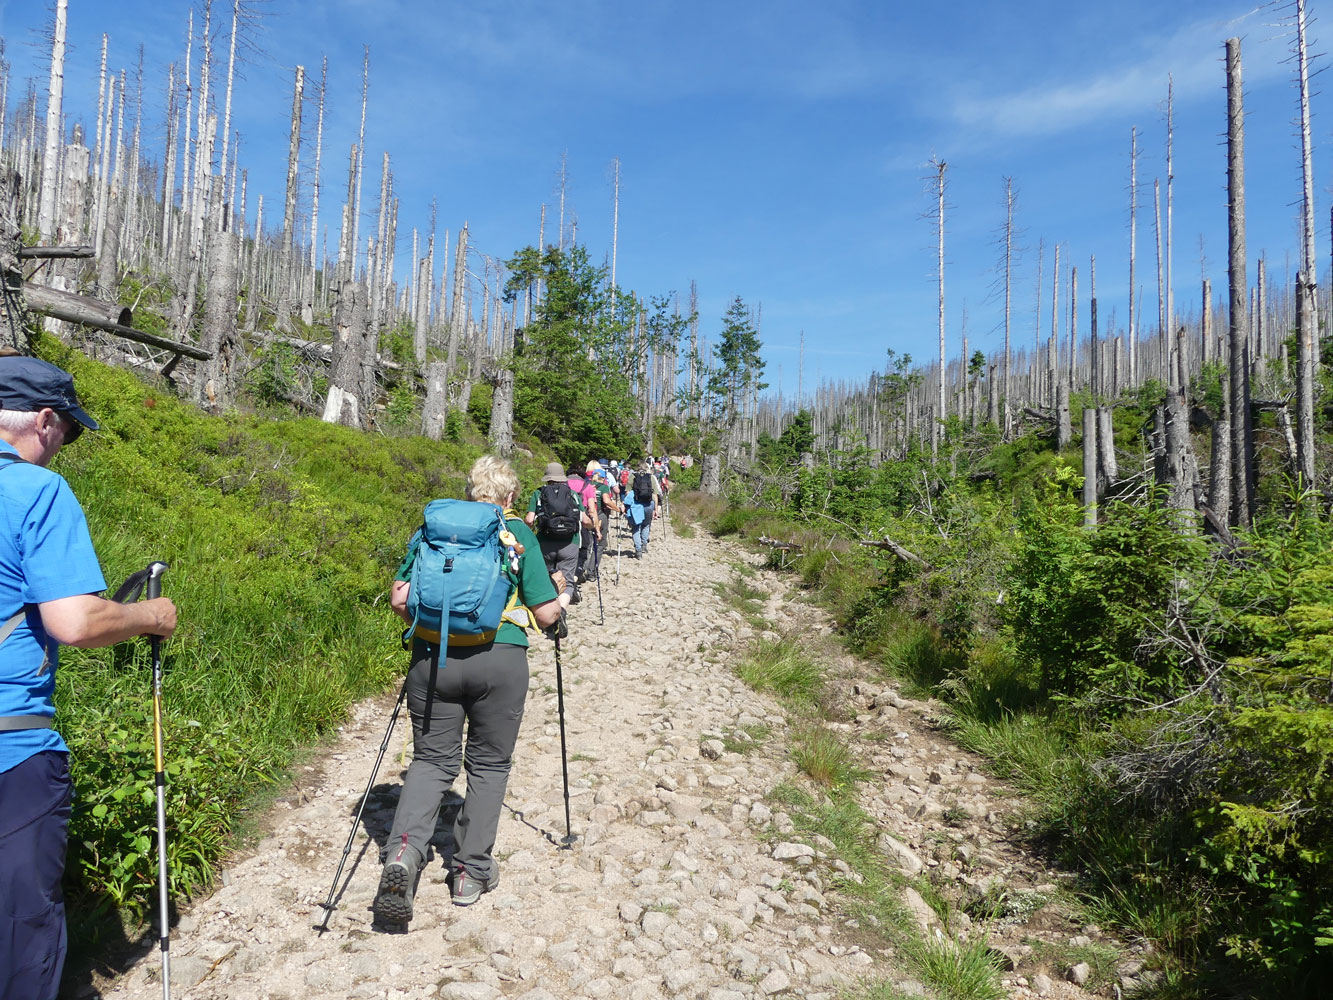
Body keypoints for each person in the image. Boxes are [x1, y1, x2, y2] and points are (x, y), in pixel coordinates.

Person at [0, 356, 177, 1000]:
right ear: (44, 421)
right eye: (68, 434)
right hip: (12, 749)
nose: (62, 449)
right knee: (19, 936)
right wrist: (150, 615)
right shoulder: (35, 491)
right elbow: (74, 621)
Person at [376, 455, 563, 928]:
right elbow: (544, 615)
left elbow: (400, 597)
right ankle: (469, 873)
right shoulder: (515, 533)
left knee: (432, 760)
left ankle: (402, 855)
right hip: (500, 662)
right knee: (489, 764)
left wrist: (427, 633)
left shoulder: (436, 531)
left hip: (432, 662)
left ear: (470, 491)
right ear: (510, 496)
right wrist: (562, 597)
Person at [525, 461, 589, 611]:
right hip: (569, 542)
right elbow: (585, 520)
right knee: (567, 580)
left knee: (546, 577)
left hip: (545, 543)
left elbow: (529, 519)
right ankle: (561, 611)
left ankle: (548, 610)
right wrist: (593, 526)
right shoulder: (571, 493)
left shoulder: (538, 493)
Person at [629, 459, 662, 557]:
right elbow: (655, 495)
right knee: (646, 525)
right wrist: (655, 509)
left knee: (636, 527)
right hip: (649, 504)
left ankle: (638, 549)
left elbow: (627, 493)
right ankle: (644, 545)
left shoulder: (633, 477)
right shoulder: (651, 477)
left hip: (636, 504)